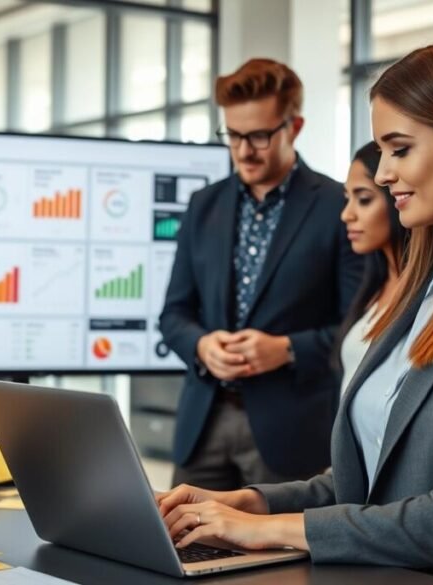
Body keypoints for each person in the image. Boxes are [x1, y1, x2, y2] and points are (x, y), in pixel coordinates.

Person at [158, 34, 433, 585]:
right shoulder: (432, 277)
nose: (381, 174)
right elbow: (365, 482)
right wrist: (249, 503)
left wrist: (267, 531)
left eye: (399, 149)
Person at [160, 58, 364, 490]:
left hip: (291, 434)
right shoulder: (203, 205)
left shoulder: (339, 207)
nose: (243, 151)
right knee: (182, 549)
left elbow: (361, 327)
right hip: (203, 425)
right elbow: (173, 314)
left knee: (283, 558)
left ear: (295, 126)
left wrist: (286, 349)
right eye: (232, 135)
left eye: (258, 136)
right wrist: (201, 345)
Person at [336, 141, 408, 394]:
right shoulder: (374, 283)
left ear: (398, 198)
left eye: (364, 199)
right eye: (348, 199)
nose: (347, 214)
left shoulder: (430, 290)